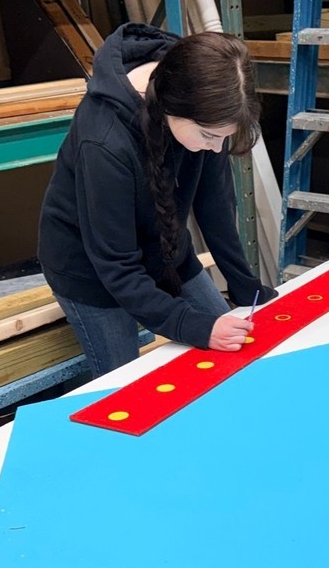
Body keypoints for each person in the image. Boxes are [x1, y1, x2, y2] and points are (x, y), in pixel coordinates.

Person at [38, 22, 277, 378]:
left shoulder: (206, 100)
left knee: (232, 356)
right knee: (126, 384)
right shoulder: (104, 142)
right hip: (93, 271)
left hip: (165, 250)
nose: (216, 147)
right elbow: (117, 268)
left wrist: (244, 286)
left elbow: (215, 207)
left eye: (223, 138)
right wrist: (195, 327)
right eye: (210, 137)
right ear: (173, 109)